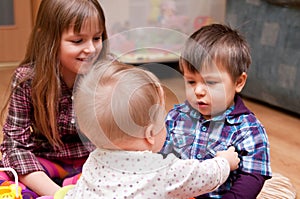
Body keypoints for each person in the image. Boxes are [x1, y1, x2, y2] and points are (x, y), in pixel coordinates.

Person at [52, 60, 240, 199]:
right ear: (150, 134)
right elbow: (203, 175)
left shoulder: (94, 160)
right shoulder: (162, 170)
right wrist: (224, 162)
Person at [0, 0, 108, 197]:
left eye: (97, 38)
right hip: (47, 163)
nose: (91, 49)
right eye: (78, 41)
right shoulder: (27, 80)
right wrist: (59, 194)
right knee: (8, 183)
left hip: (97, 161)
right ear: (47, 39)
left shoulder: (108, 74)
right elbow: (15, 145)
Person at [160, 23, 272, 199]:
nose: (198, 91)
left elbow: (252, 177)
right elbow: (162, 159)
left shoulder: (249, 130)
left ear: (238, 82)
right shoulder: (176, 117)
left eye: (210, 83)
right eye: (191, 82)